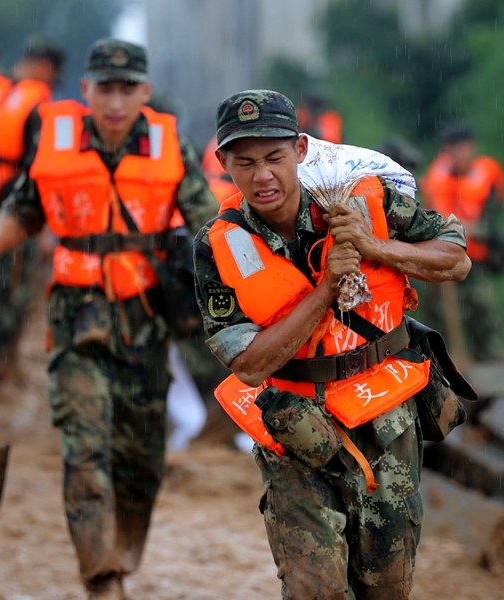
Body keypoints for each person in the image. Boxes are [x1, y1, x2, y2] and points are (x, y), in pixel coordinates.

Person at [0, 39, 219, 600]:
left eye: (128, 88)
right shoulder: (53, 143)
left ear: (145, 94)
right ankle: (100, 576)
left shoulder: (170, 144)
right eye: (105, 87)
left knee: (141, 457)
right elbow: (25, 208)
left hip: (145, 319)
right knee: (84, 448)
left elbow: (212, 228)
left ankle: (123, 550)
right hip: (75, 313)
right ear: (85, 91)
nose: (115, 100)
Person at [194, 90, 470, 599]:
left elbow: (455, 258)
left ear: (300, 150)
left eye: (275, 158)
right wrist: (325, 289)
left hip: (385, 420)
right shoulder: (221, 245)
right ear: (222, 162)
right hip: (296, 433)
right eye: (245, 162)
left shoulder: (362, 200)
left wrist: (373, 247)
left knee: (385, 588)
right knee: (314, 591)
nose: (263, 176)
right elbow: (251, 365)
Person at [0, 34, 64, 380]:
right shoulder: (37, 104)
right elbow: (39, 170)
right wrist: (45, 232)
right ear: (45, 68)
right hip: (15, 208)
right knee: (13, 294)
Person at [420, 122, 504, 361]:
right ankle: (439, 365)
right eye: (450, 148)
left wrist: (464, 228)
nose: (456, 153)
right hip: (442, 258)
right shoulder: (436, 175)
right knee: (439, 315)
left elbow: (489, 222)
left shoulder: (488, 175)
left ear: (471, 147)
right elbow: (430, 214)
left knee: (482, 309)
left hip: (476, 258)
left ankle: (489, 362)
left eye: (460, 147)